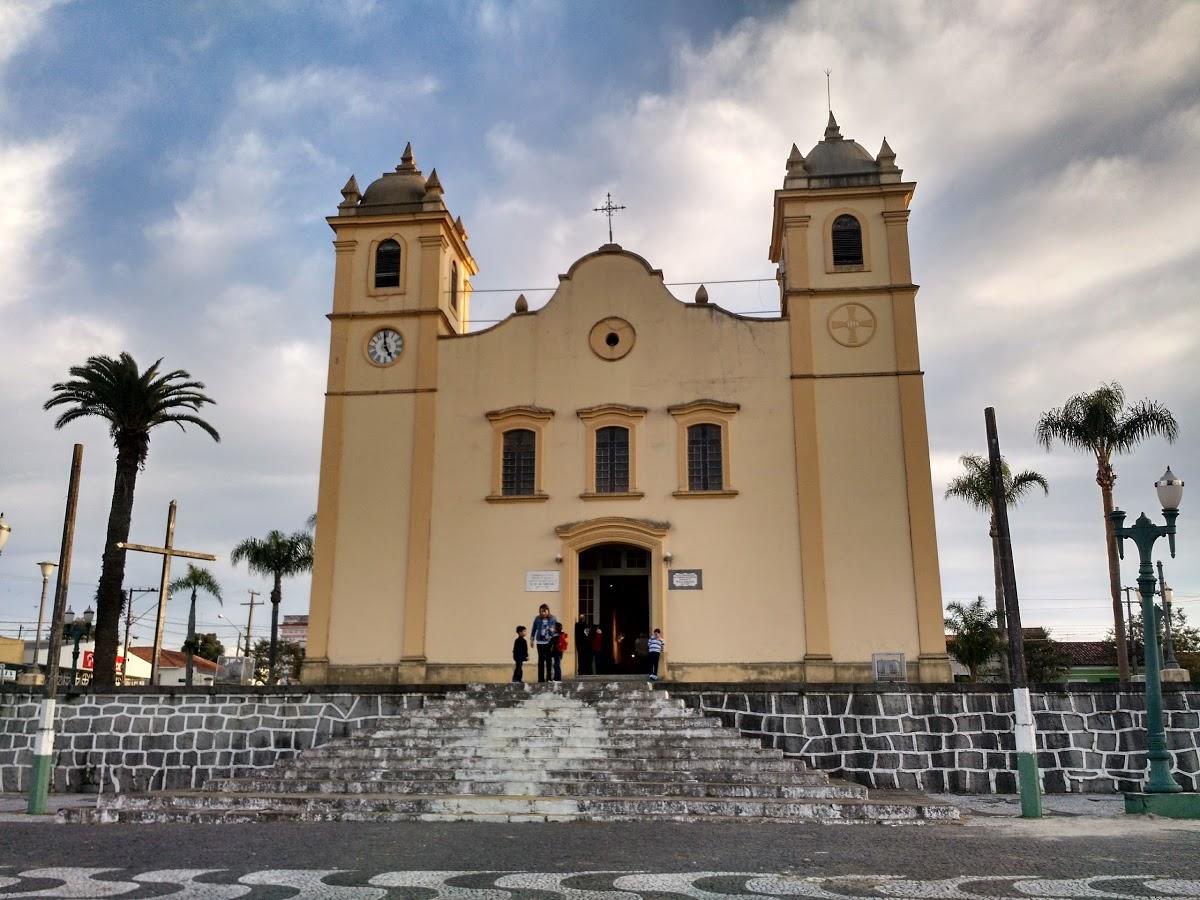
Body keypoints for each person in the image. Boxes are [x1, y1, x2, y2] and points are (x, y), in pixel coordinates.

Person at [530, 603, 558, 683]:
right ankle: (540, 679)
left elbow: (556, 629)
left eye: (545, 611)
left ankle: (549, 678)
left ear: (548, 611)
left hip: (549, 642)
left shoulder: (553, 618)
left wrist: (553, 633)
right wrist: (532, 640)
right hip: (540, 642)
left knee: (549, 661)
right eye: (542, 611)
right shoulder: (537, 618)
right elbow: (534, 629)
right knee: (541, 661)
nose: (543, 613)